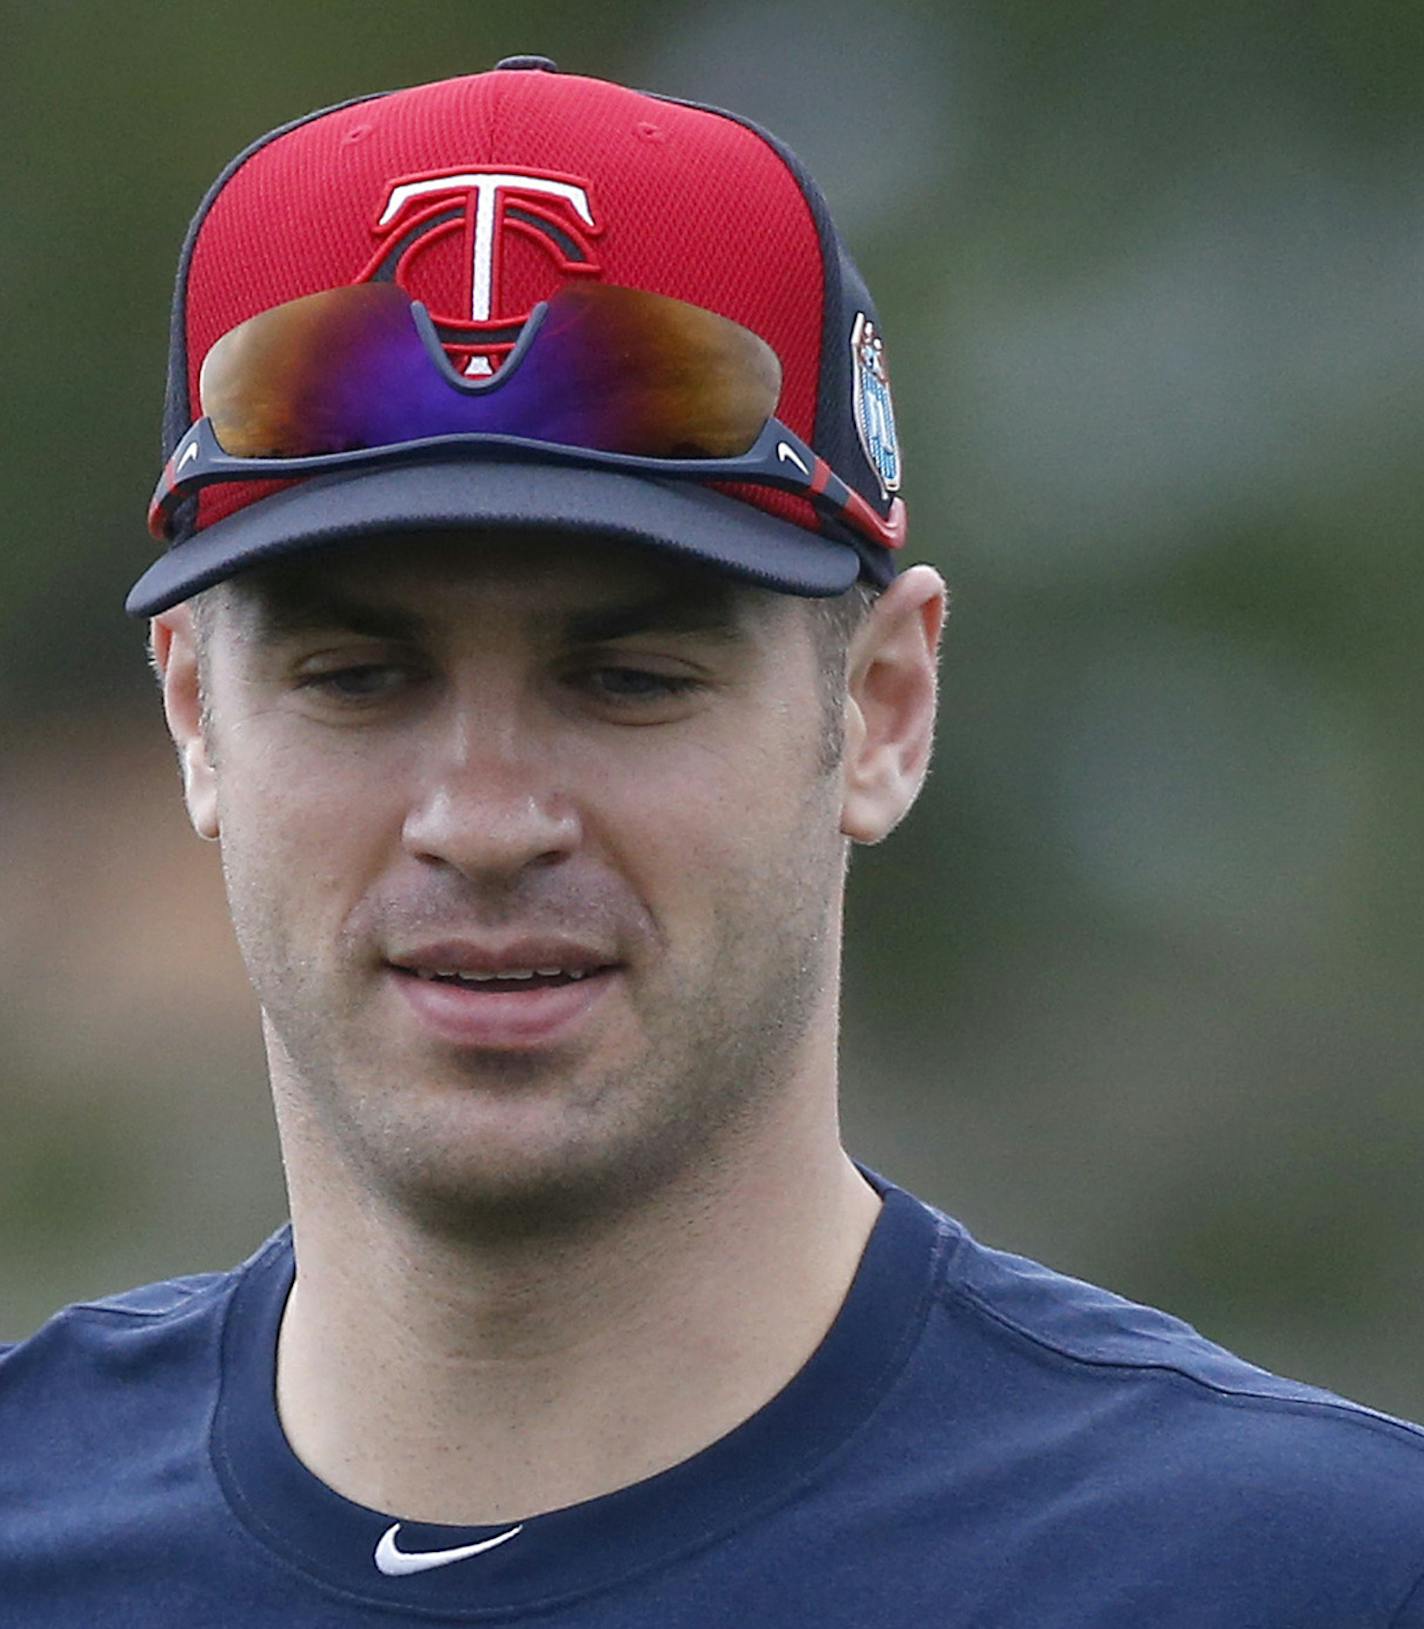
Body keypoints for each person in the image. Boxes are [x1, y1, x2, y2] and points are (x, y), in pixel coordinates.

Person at [2, 57, 1421, 1628]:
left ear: (880, 710)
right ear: (197, 713)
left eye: (628, 677)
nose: (483, 821)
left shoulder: (1303, 1574)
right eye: (358, 675)